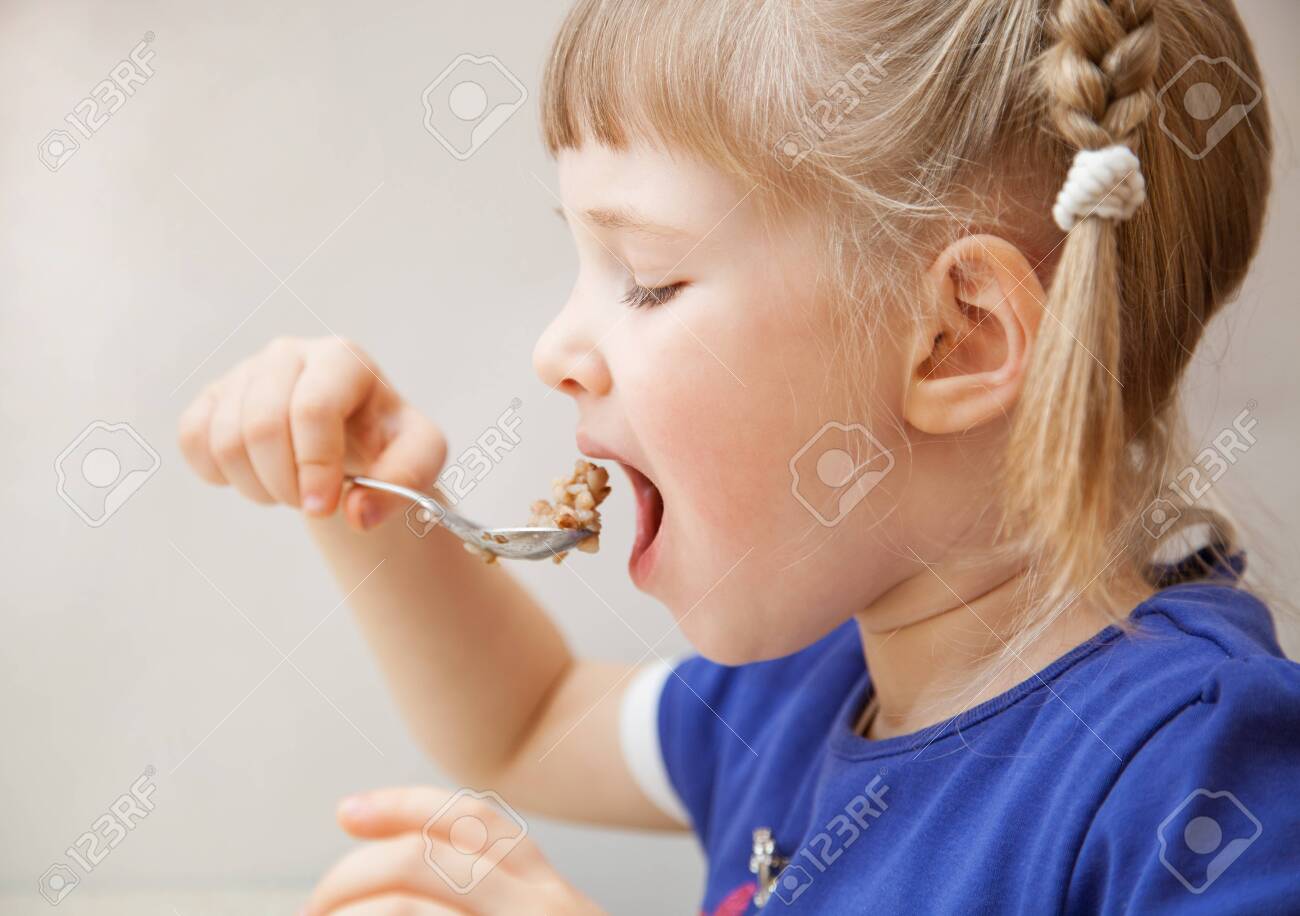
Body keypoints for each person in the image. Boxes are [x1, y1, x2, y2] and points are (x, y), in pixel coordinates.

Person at [178, 0, 1298, 912]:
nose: (556, 349)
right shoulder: (802, 686)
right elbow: (524, 718)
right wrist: (372, 493)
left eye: (649, 279)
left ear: (958, 338)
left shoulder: (1193, 775)